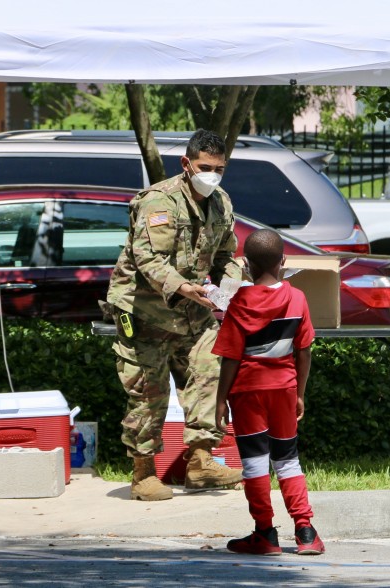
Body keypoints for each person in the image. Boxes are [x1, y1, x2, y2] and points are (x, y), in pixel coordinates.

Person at [106, 129, 243, 501]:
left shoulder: (221, 203)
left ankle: (200, 461)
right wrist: (184, 287)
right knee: (148, 391)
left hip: (193, 312)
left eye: (219, 169)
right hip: (145, 311)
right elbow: (146, 258)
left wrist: (229, 283)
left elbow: (226, 256)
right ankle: (144, 473)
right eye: (205, 167)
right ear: (186, 164)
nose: (211, 175)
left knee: (210, 372)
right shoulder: (158, 202)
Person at [213, 229, 325, 556]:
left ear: (245, 265)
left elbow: (231, 357)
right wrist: (299, 393)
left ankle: (265, 533)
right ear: (284, 262)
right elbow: (304, 351)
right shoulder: (297, 298)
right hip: (285, 390)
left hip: (247, 393)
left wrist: (221, 400)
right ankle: (305, 532)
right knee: (288, 460)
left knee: (255, 464)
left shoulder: (239, 302)